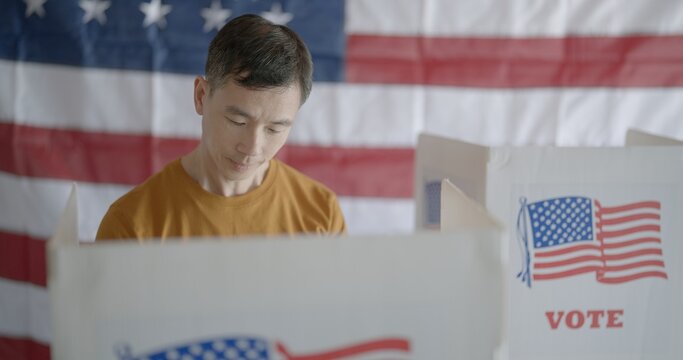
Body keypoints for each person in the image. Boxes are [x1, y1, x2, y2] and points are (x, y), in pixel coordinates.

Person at [96, 14, 346, 241]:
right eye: (238, 122)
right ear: (201, 96)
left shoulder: (321, 215)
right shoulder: (130, 226)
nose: (252, 147)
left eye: (274, 129)